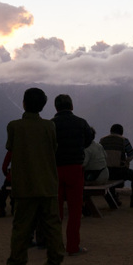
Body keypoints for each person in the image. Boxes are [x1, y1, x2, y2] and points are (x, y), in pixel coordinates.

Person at [5, 88, 66, 265]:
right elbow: (54, 148)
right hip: (48, 184)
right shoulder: (50, 127)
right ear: (43, 105)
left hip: (24, 187)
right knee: (53, 228)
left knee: (21, 230)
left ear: (23, 103)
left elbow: (11, 148)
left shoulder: (14, 126)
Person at [53, 94, 94, 254]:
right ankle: (72, 246)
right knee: (75, 210)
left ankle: (55, 245)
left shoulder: (51, 124)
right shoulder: (81, 122)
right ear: (71, 106)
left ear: (56, 107)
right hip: (75, 169)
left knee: (56, 210)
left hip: (55, 169)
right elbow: (88, 141)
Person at [99, 124, 133, 207]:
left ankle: (113, 198)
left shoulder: (102, 141)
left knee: (110, 181)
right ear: (121, 132)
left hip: (106, 172)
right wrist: (125, 162)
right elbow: (131, 155)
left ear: (111, 131)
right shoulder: (124, 140)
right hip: (120, 172)